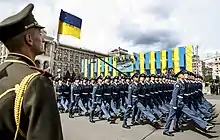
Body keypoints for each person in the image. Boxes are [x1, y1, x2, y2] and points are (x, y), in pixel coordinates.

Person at [0, 3, 63, 140]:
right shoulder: (37, 82)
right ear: (29, 39)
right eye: (40, 34)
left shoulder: (2, 72)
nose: (42, 39)